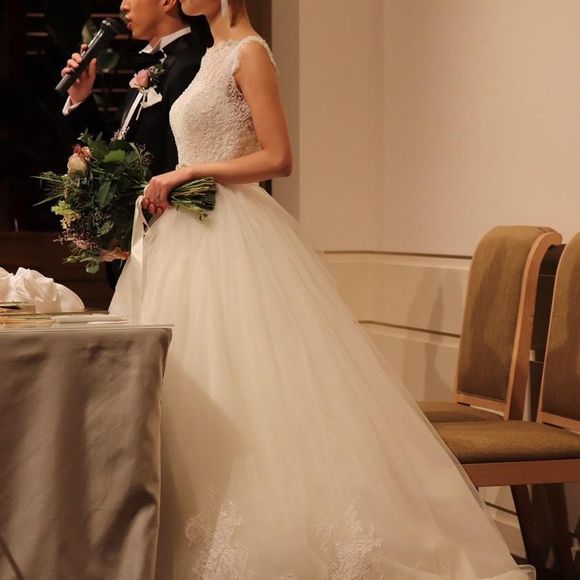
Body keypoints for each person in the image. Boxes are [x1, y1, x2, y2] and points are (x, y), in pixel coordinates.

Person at [110, 1, 535, 578]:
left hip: (233, 232)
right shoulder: (209, 56)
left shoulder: (250, 54)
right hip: (188, 234)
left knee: (253, 383)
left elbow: (278, 158)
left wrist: (192, 172)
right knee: (190, 388)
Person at [61, 0, 211, 286]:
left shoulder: (192, 64)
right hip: (138, 244)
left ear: (167, 2)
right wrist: (81, 98)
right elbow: (116, 151)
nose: (123, 5)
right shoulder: (153, 64)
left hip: (168, 243)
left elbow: (178, 158)